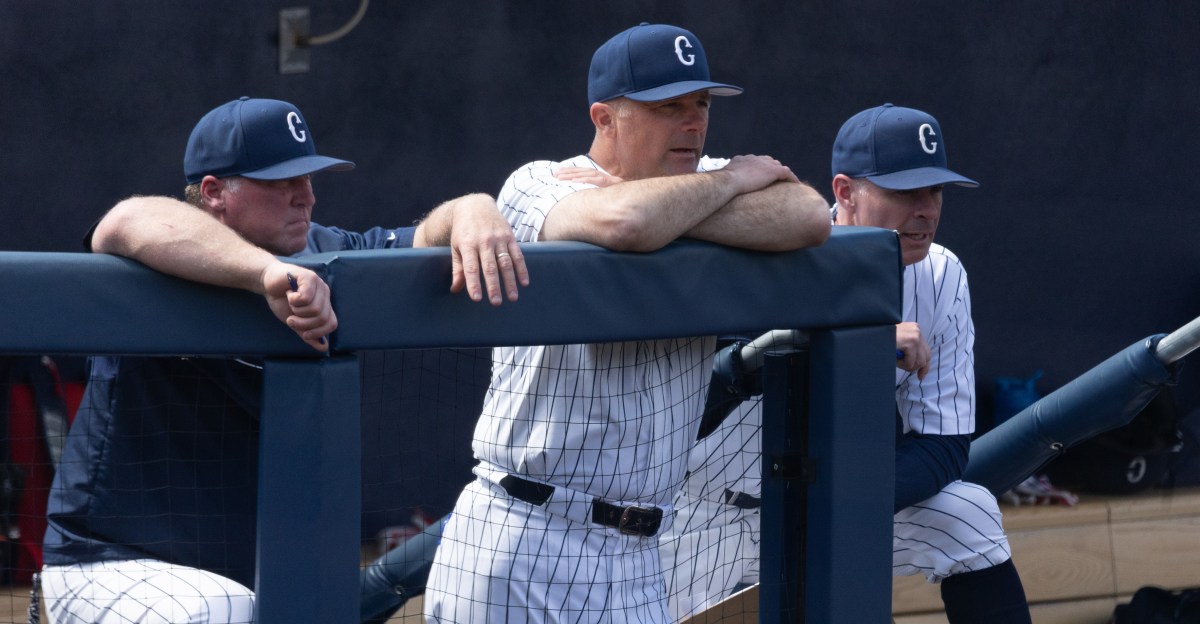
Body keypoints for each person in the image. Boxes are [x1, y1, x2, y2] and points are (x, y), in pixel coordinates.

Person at [38, 96, 529, 624]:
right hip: (109, 564)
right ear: (213, 192)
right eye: (281, 182)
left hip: (244, 584)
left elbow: (427, 236)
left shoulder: (329, 251)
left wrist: (473, 207)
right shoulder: (161, 249)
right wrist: (265, 274)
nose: (306, 196)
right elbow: (125, 220)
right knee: (218, 610)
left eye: (309, 177)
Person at [422, 23, 830, 624]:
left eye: (701, 104)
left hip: (641, 555)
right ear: (605, 118)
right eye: (668, 107)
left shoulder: (701, 180)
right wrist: (727, 186)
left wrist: (689, 200)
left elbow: (809, 214)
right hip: (526, 531)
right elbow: (627, 224)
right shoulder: (540, 182)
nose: (692, 123)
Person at [659, 104, 1032, 624]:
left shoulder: (940, 274)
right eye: (905, 192)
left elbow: (942, 445)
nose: (926, 210)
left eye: (935, 191)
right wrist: (858, 341)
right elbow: (711, 387)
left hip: (827, 507)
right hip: (702, 516)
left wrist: (844, 505)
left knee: (968, 513)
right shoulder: (773, 248)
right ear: (845, 191)